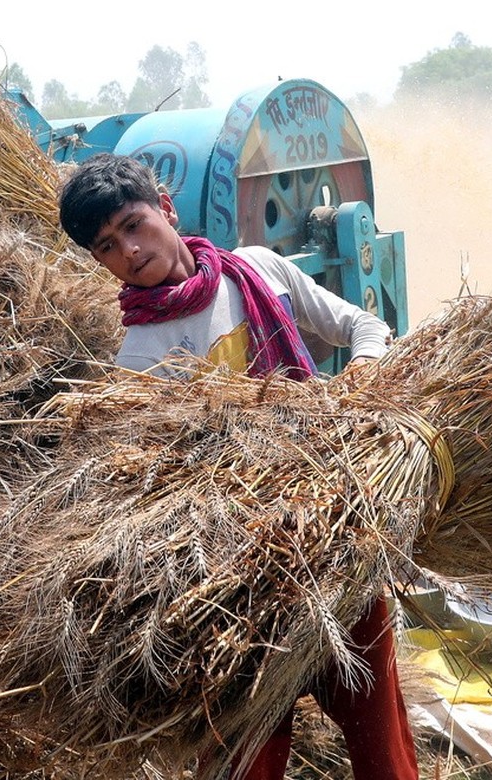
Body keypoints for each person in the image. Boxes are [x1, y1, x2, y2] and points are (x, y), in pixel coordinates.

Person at [57, 153, 419, 780]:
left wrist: (356, 382)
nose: (129, 251)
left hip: (338, 543)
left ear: (166, 210)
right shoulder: (140, 361)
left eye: (135, 225)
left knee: (382, 753)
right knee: (242, 767)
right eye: (108, 246)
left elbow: (363, 324)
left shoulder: (259, 272)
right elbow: (156, 489)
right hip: (244, 597)